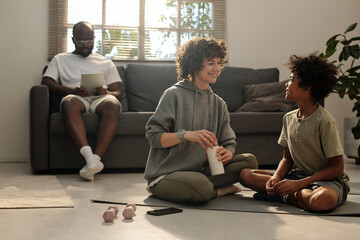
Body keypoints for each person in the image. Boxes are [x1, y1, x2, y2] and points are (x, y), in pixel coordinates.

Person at [143, 37, 258, 203]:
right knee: (201, 187)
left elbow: (229, 142)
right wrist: (185, 135)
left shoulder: (219, 103)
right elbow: (154, 137)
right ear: (195, 63)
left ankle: (200, 187)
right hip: (166, 175)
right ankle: (217, 191)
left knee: (249, 161)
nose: (217, 68)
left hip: (202, 171)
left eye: (220, 63)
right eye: (211, 63)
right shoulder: (173, 95)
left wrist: (228, 152)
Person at [239, 54, 350, 212]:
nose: (286, 84)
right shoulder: (288, 118)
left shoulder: (325, 121)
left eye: (291, 79)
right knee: (245, 175)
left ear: (307, 86)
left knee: (322, 200)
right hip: (297, 176)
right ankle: (292, 194)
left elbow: (337, 168)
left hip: (327, 181)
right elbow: (287, 159)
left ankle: (287, 195)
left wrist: (299, 184)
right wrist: (276, 178)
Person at [42, 21, 122, 181]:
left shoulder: (105, 62)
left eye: (89, 41)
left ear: (94, 38)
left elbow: (118, 92)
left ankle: (95, 160)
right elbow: (46, 83)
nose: (85, 45)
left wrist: (107, 92)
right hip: (76, 97)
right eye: (81, 42)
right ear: (73, 40)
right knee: (68, 102)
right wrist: (72, 91)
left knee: (113, 104)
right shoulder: (61, 59)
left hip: (102, 99)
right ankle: (90, 159)